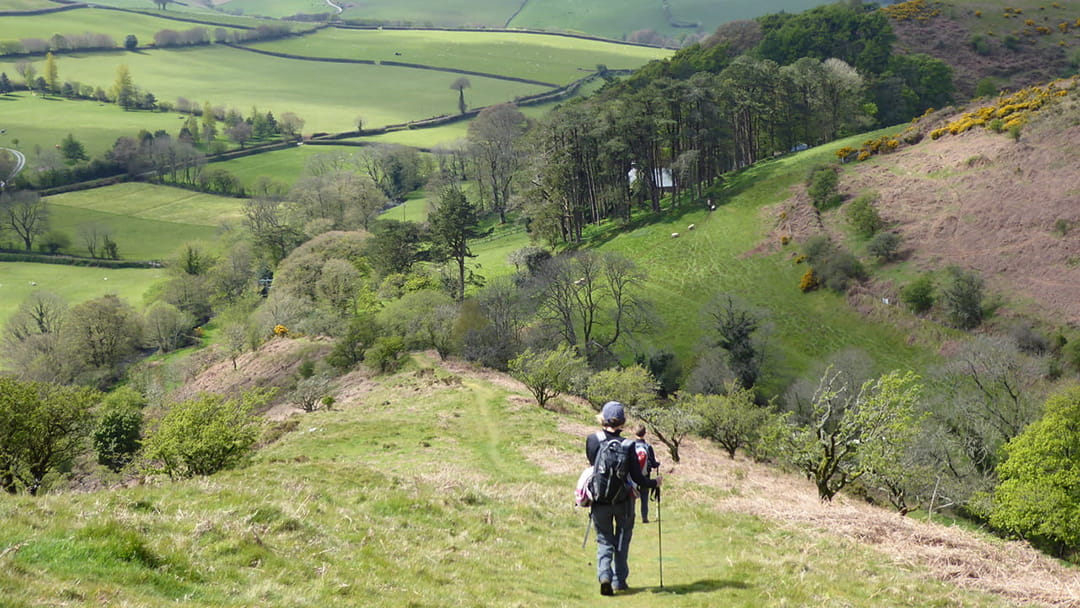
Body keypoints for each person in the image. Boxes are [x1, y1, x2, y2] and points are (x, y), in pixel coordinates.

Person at [586, 401, 661, 596]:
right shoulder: (629, 445)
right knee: (622, 540)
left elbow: (593, 465)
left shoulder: (593, 440)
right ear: (623, 422)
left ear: (603, 418)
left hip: (600, 501)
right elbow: (637, 477)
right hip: (624, 502)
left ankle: (604, 576)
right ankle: (619, 581)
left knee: (604, 540)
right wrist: (654, 483)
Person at [632, 426, 660, 523]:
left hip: (633, 476)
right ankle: (645, 518)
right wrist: (657, 464)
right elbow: (653, 464)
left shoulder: (632, 446)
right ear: (645, 433)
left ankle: (632, 517)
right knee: (644, 497)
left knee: (633, 497)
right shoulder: (648, 447)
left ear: (635, 433)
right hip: (645, 476)